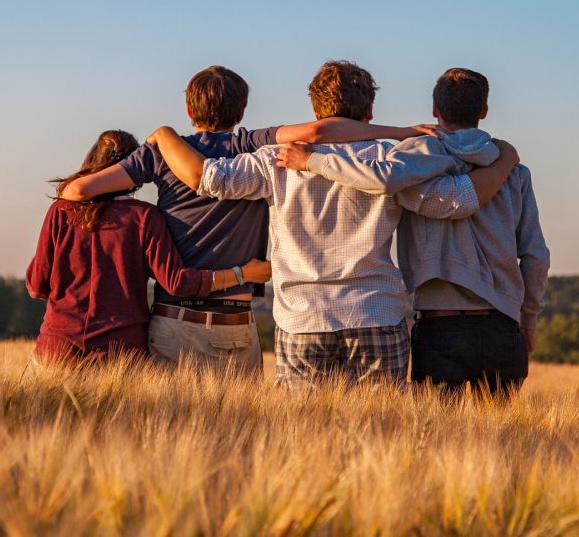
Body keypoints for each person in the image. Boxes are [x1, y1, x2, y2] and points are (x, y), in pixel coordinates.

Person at [148, 61, 519, 388]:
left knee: (301, 439)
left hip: (302, 317)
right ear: (370, 110)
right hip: (376, 313)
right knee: (382, 438)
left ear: (314, 109)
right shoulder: (390, 160)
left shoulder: (275, 159)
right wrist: (504, 160)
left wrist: (163, 135)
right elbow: (455, 202)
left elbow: (209, 179)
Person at [57, 65, 438, 373]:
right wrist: (400, 131)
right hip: (243, 324)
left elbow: (76, 193)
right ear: (241, 111)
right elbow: (323, 131)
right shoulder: (254, 144)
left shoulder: (165, 153)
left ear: (189, 110)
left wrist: (158, 142)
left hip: (181, 319)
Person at [278, 68, 550, 397]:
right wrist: (528, 319)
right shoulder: (514, 172)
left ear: (435, 110)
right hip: (503, 326)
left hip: (439, 326)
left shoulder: (411, 161)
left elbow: (381, 178)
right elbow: (535, 256)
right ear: (484, 111)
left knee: (435, 441)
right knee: (501, 442)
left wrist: (311, 161)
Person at [25, 130, 271, 365]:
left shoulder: (61, 211)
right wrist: (242, 274)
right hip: (121, 354)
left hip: (57, 349)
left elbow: (37, 286)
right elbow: (177, 282)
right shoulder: (144, 217)